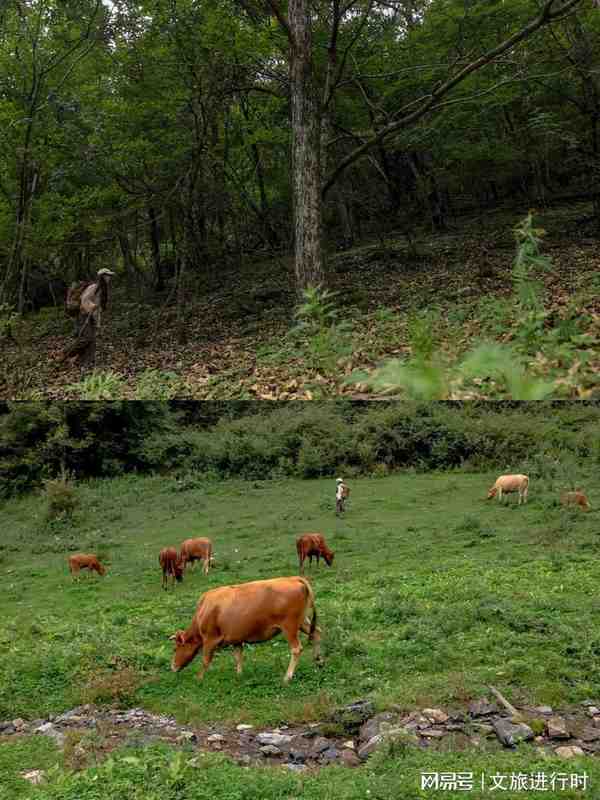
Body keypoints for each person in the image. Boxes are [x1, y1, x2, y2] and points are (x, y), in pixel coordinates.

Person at [62, 268, 116, 367]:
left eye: (110, 276)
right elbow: (84, 299)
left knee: (92, 342)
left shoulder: (102, 290)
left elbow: (98, 309)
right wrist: (91, 306)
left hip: (90, 317)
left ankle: (84, 363)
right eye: (107, 275)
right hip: (83, 315)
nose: (109, 278)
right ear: (102, 276)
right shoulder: (94, 287)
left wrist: (97, 323)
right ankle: (66, 352)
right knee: (86, 338)